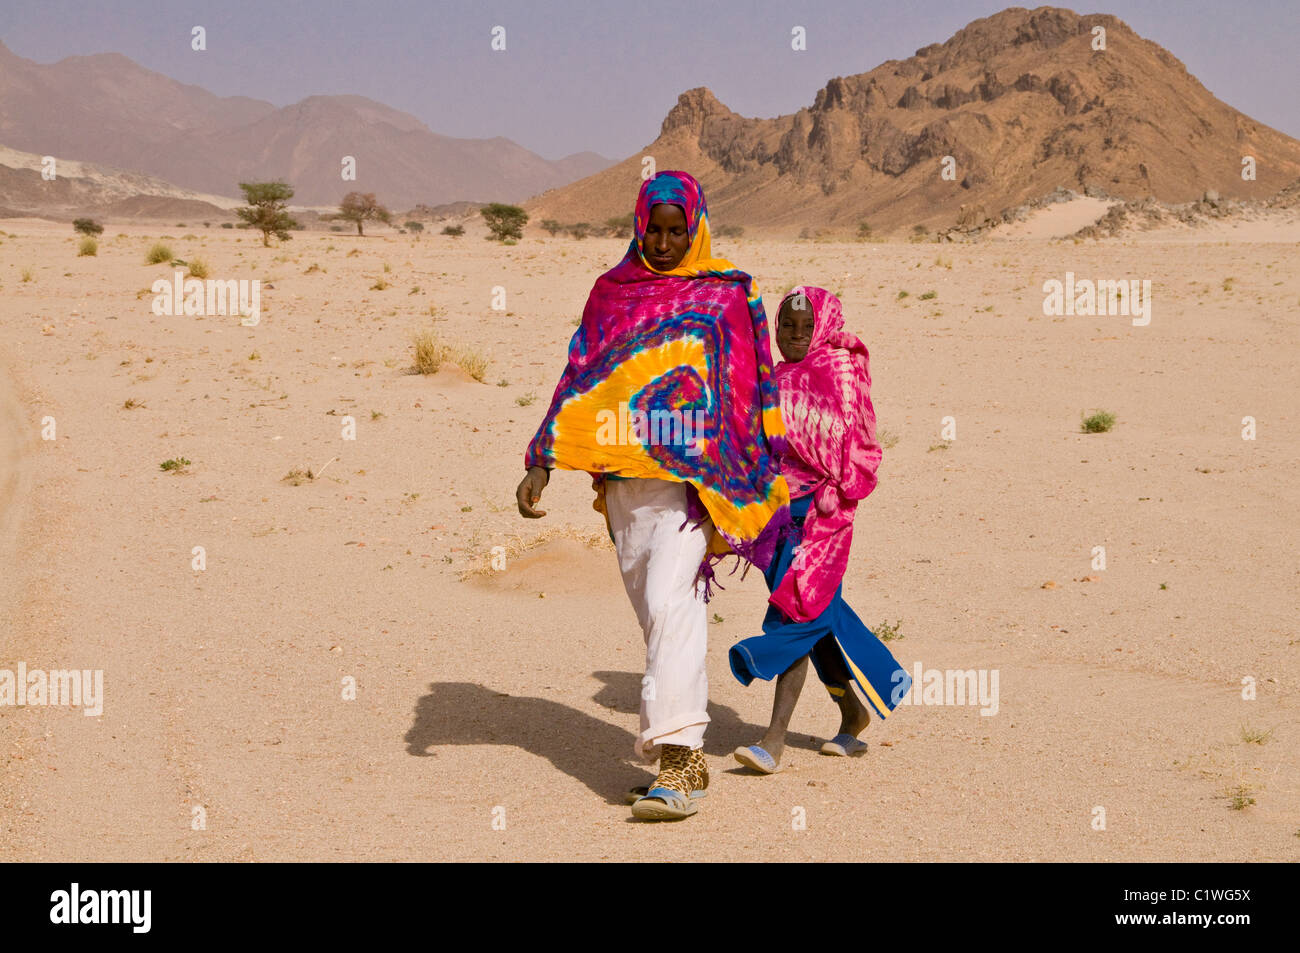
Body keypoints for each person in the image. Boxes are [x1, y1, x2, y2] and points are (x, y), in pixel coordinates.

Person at [515, 171, 789, 819]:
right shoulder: (611, 294)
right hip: (622, 487)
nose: (663, 243)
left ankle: (681, 762)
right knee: (656, 613)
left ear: (695, 226)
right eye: (653, 230)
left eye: (676, 230)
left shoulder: (724, 296)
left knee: (674, 603)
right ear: (638, 226)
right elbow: (582, 375)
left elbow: (748, 386)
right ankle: (677, 752)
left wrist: (742, 467)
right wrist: (543, 461)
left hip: (694, 487)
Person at [728, 287, 911, 774]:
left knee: (796, 612)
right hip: (773, 513)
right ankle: (854, 710)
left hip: (822, 515)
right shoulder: (770, 376)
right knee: (818, 616)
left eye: (804, 327)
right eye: (786, 326)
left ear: (823, 326)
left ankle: (772, 740)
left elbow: (864, 445)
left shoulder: (840, 370)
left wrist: (837, 491)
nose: (794, 335)